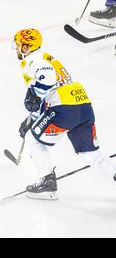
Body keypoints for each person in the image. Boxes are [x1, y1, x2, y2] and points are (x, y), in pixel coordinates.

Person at [13, 29, 116, 200]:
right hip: (82, 104)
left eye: (18, 45)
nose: (16, 49)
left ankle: (47, 185)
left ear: (26, 47)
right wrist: (34, 116)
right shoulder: (46, 57)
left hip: (64, 108)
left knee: (33, 139)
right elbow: (51, 88)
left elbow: (48, 79)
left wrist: (35, 93)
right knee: (89, 154)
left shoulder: (33, 59)